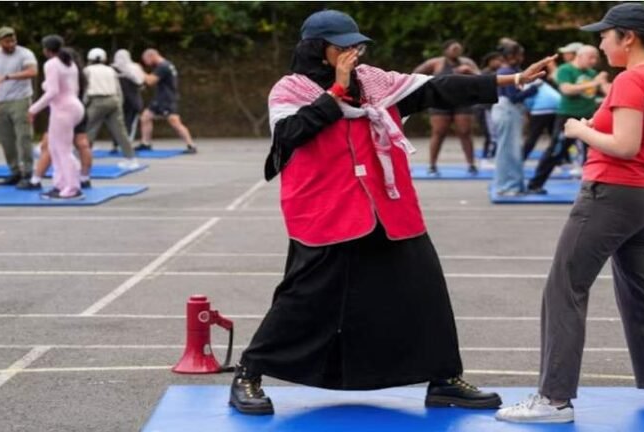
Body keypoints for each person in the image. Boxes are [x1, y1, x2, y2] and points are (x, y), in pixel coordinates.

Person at [230, 9, 555, 416]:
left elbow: (440, 88)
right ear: (318, 49)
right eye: (343, 46)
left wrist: (512, 80)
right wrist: (336, 91)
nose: (354, 53)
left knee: (424, 290)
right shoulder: (290, 90)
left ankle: (443, 379)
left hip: (387, 207)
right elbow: (291, 135)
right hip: (326, 213)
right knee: (304, 299)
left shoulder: (376, 83)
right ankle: (248, 373)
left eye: (356, 45)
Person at [496, 3, 644, 424]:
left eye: (605, 35)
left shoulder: (632, 79)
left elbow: (625, 145)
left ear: (629, 38)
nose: (600, 43)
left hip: (612, 195)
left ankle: (553, 400)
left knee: (564, 288)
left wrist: (580, 129)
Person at [527, 45, 610, 194]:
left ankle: (592, 188)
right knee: (556, 151)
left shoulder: (592, 73)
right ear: (580, 56)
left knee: (592, 154)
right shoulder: (566, 69)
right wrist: (594, 83)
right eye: (591, 57)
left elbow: (607, 91)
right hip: (568, 117)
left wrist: (603, 82)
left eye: (596, 58)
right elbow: (566, 89)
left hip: (588, 119)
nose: (594, 61)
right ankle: (535, 184)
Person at [0, 27, 38, 188]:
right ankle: (14, 172)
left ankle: (28, 172)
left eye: (13, 40)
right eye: (7, 41)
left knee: (24, 137)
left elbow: (33, 71)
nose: (11, 44)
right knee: (6, 139)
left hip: (20, 100)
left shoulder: (25, 53)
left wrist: (8, 76)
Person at [28, 35, 85, 200]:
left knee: (62, 150)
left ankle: (72, 187)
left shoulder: (51, 64)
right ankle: (60, 184)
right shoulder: (70, 62)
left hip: (64, 109)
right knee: (55, 148)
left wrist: (33, 109)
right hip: (72, 106)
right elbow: (68, 88)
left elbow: (52, 92)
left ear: (46, 50)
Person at [413, 40, 480, 175]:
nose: (456, 52)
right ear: (446, 50)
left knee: (465, 132)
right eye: (453, 49)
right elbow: (415, 74)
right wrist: (427, 86)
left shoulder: (467, 63)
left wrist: (470, 72)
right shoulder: (436, 63)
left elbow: (481, 77)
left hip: (462, 101)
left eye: (458, 49)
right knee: (438, 133)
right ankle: (432, 165)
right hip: (440, 101)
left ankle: (471, 164)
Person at [492, 42, 538, 196]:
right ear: (512, 56)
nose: (522, 58)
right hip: (507, 111)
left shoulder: (512, 70)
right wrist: (533, 89)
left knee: (511, 149)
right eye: (520, 55)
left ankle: (514, 184)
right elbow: (513, 97)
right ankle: (507, 186)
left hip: (509, 112)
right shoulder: (506, 71)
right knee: (508, 150)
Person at [84, 48, 139, 169]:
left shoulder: (87, 71)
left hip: (96, 100)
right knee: (120, 131)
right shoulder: (110, 70)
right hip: (113, 100)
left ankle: (81, 159)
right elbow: (118, 89)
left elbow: (86, 89)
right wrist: (119, 103)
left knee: (88, 131)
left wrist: (84, 105)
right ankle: (131, 158)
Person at [137, 49, 197, 154]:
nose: (146, 63)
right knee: (145, 117)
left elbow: (150, 81)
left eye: (146, 60)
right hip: (160, 98)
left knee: (175, 122)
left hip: (166, 99)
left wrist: (139, 71)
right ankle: (145, 143)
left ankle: (191, 145)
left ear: (151, 56)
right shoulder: (167, 65)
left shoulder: (163, 67)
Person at [112, 49, 145, 145]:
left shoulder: (112, 69)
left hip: (118, 99)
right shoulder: (134, 68)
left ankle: (116, 143)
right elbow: (141, 82)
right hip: (133, 99)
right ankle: (127, 143)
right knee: (130, 122)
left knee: (117, 122)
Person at [522, 78, 561, 160]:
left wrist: (528, 111)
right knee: (554, 135)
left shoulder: (526, 83)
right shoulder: (540, 82)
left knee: (533, 135)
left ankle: (522, 156)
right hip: (557, 106)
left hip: (541, 109)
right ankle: (561, 157)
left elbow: (528, 100)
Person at [475, 51, 503, 159]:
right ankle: (488, 155)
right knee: (491, 134)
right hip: (485, 108)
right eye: (498, 60)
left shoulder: (497, 72)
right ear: (490, 61)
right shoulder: (486, 73)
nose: (500, 63)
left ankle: (490, 155)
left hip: (492, 107)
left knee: (494, 133)